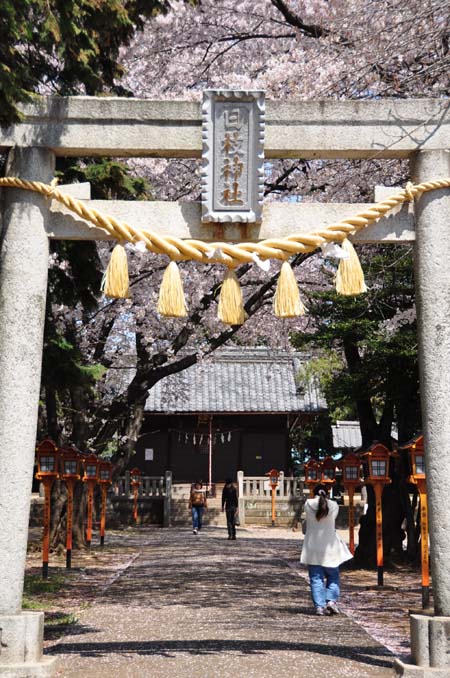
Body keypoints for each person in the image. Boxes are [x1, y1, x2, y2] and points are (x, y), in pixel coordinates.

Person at [300, 483, 353, 616]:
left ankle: (319, 606)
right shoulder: (334, 506)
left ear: (314, 493)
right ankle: (331, 601)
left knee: (316, 578)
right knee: (333, 576)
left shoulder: (308, 504)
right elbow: (332, 518)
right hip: (330, 547)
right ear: (327, 493)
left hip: (313, 547)